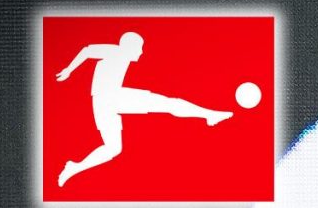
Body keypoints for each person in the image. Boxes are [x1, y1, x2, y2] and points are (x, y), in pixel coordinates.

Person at [54, 31, 233, 187]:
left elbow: (88, 52)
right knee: (168, 104)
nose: (141, 52)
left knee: (113, 148)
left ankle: (74, 167)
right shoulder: (116, 51)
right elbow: (87, 50)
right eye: (139, 48)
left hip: (103, 103)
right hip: (112, 96)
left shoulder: (120, 55)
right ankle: (208, 115)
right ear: (129, 46)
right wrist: (69, 70)